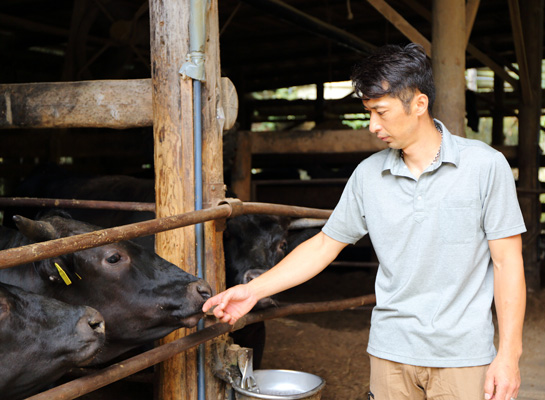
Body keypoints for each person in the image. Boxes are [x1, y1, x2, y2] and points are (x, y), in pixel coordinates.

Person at [203, 43, 527, 400]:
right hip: (390, 354)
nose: (373, 126)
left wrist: (509, 355)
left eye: (381, 112)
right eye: (368, 112)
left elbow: (507, 262)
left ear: (419, 104)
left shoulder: (484, 167)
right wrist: (254, 289)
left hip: (462, 357)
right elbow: (325, 245)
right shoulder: (368, 176)